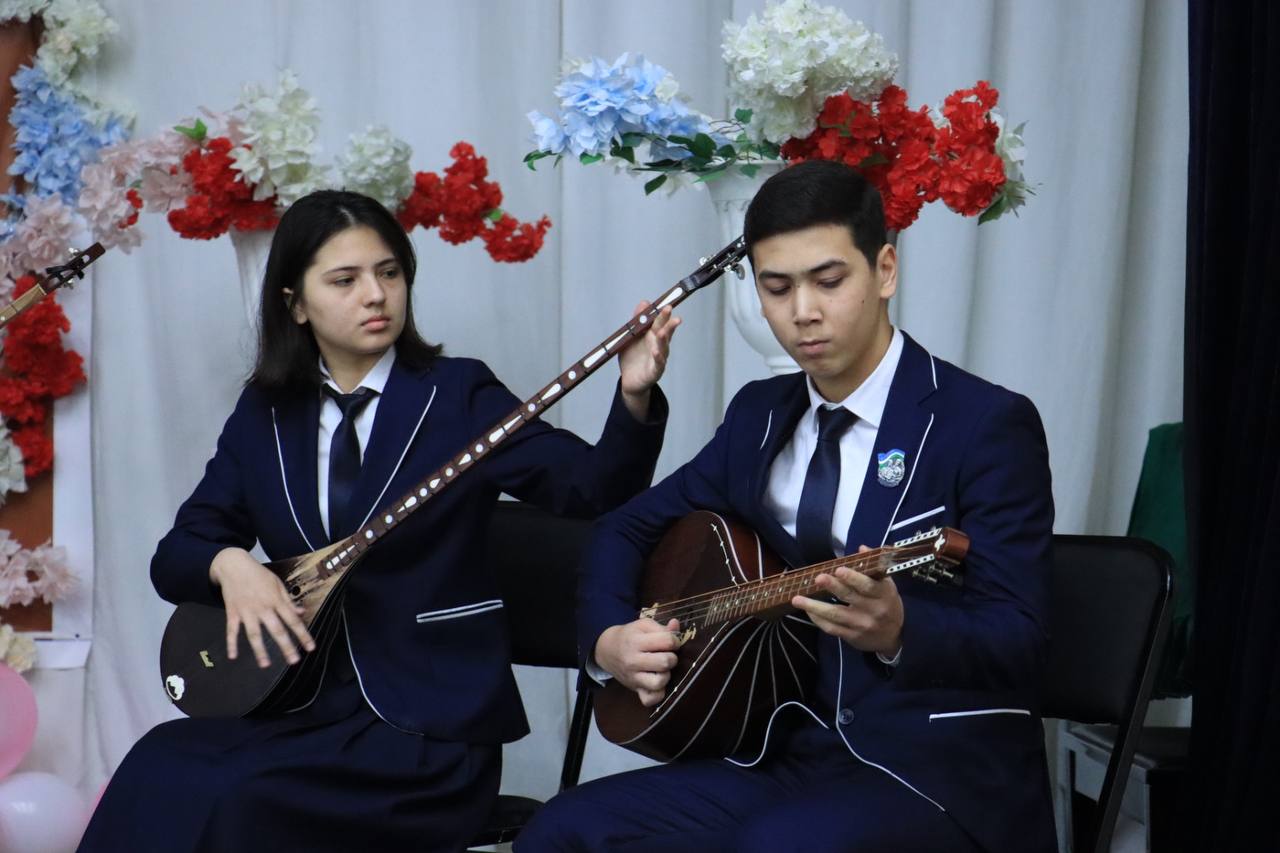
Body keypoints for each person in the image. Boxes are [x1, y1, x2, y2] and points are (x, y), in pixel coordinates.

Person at [79, 189, 679, 852]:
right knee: (159, 762)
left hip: (429, 730)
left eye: (389, 272)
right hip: (300, 705)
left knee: (240, 796)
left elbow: (593, 491)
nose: (376, 295)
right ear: (295, 303)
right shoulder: (266, 413)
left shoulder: (457, 393)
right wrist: (231, 565)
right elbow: (178, 553)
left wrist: (633, 395)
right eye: (345, 279)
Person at [517, 160, 1056, 853]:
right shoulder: (761, 416)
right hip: (786, 750)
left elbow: (1023, 637)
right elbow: (626, 524)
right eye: (777, 288)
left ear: (885, 271)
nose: (803, 311)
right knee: (561, 830)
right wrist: (607, 640)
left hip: (935, 773)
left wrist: (901, 629)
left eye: (829, 281)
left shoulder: (984, 423)